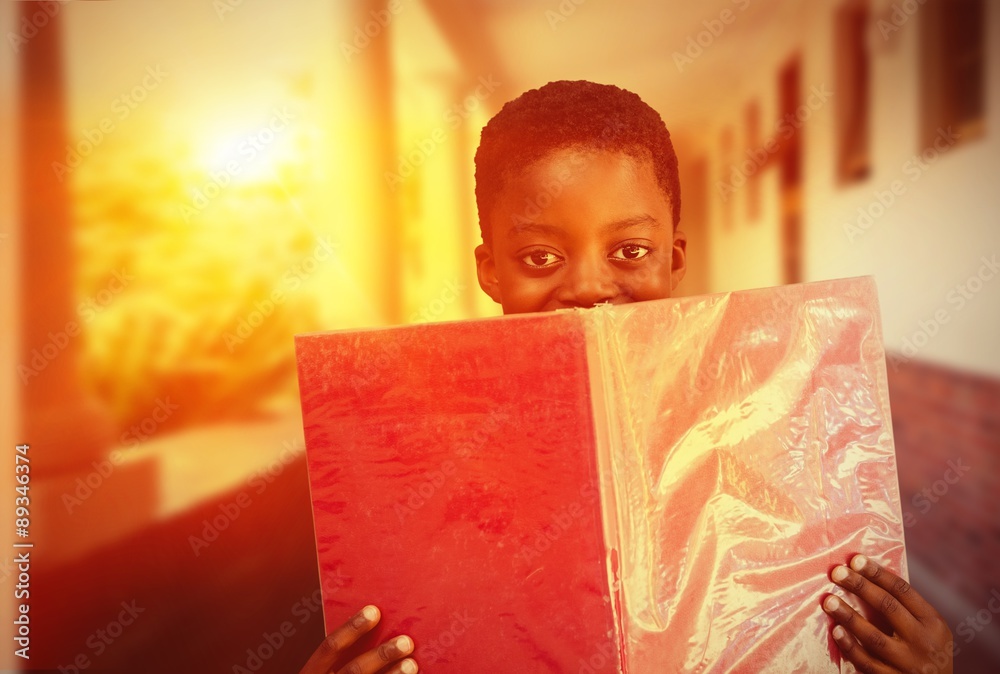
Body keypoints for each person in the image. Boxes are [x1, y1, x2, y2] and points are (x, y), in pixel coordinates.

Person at [298, 80, 954, 674]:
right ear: (490, 270)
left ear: (672, 259)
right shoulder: (407, 468)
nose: (587, 287)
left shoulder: (776, 421)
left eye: (630, 250)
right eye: (539, 256)